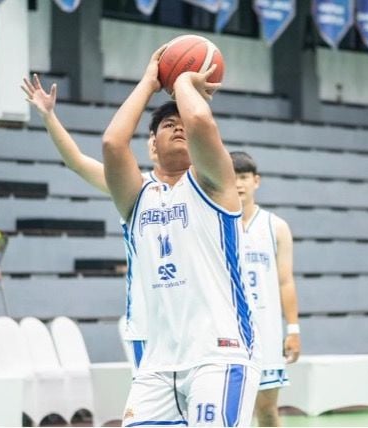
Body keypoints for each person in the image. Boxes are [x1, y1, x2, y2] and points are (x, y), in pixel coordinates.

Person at [102, 46, 260, 427]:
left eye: (181, 122)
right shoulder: (138, 198)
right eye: (166, 124)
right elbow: (112, 144)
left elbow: (201, 120)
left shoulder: (215, 184)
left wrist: (184, 81)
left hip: (219, 354)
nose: (177, 127)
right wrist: (149, 81)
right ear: (152, 143)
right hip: (157, 366)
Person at [21, 73, 150, 371]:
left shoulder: (202, 190)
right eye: (165, 128)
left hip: (199, 331)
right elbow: (77, 162)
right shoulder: (135, 189)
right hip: (148, 329)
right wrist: (49, 117)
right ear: (152, 145)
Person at [231, 151, 301, 427]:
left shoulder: (276, 227)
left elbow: (286, 281)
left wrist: (293, 330)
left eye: (243, 177)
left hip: (266, 332)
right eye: (232, 177)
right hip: (227, 331)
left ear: (256, 181)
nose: (238, 183)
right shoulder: (215, 223)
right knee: (231, 412)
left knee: (268, 411)